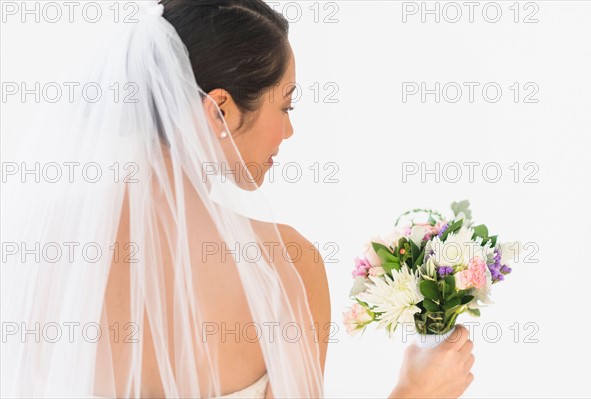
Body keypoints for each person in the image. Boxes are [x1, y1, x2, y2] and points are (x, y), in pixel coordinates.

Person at [0, 1, 474, 397]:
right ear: (219, 109)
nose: (289, 130)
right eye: (286, 105)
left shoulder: (36, 248)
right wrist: (414, 392)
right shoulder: (284, 265)